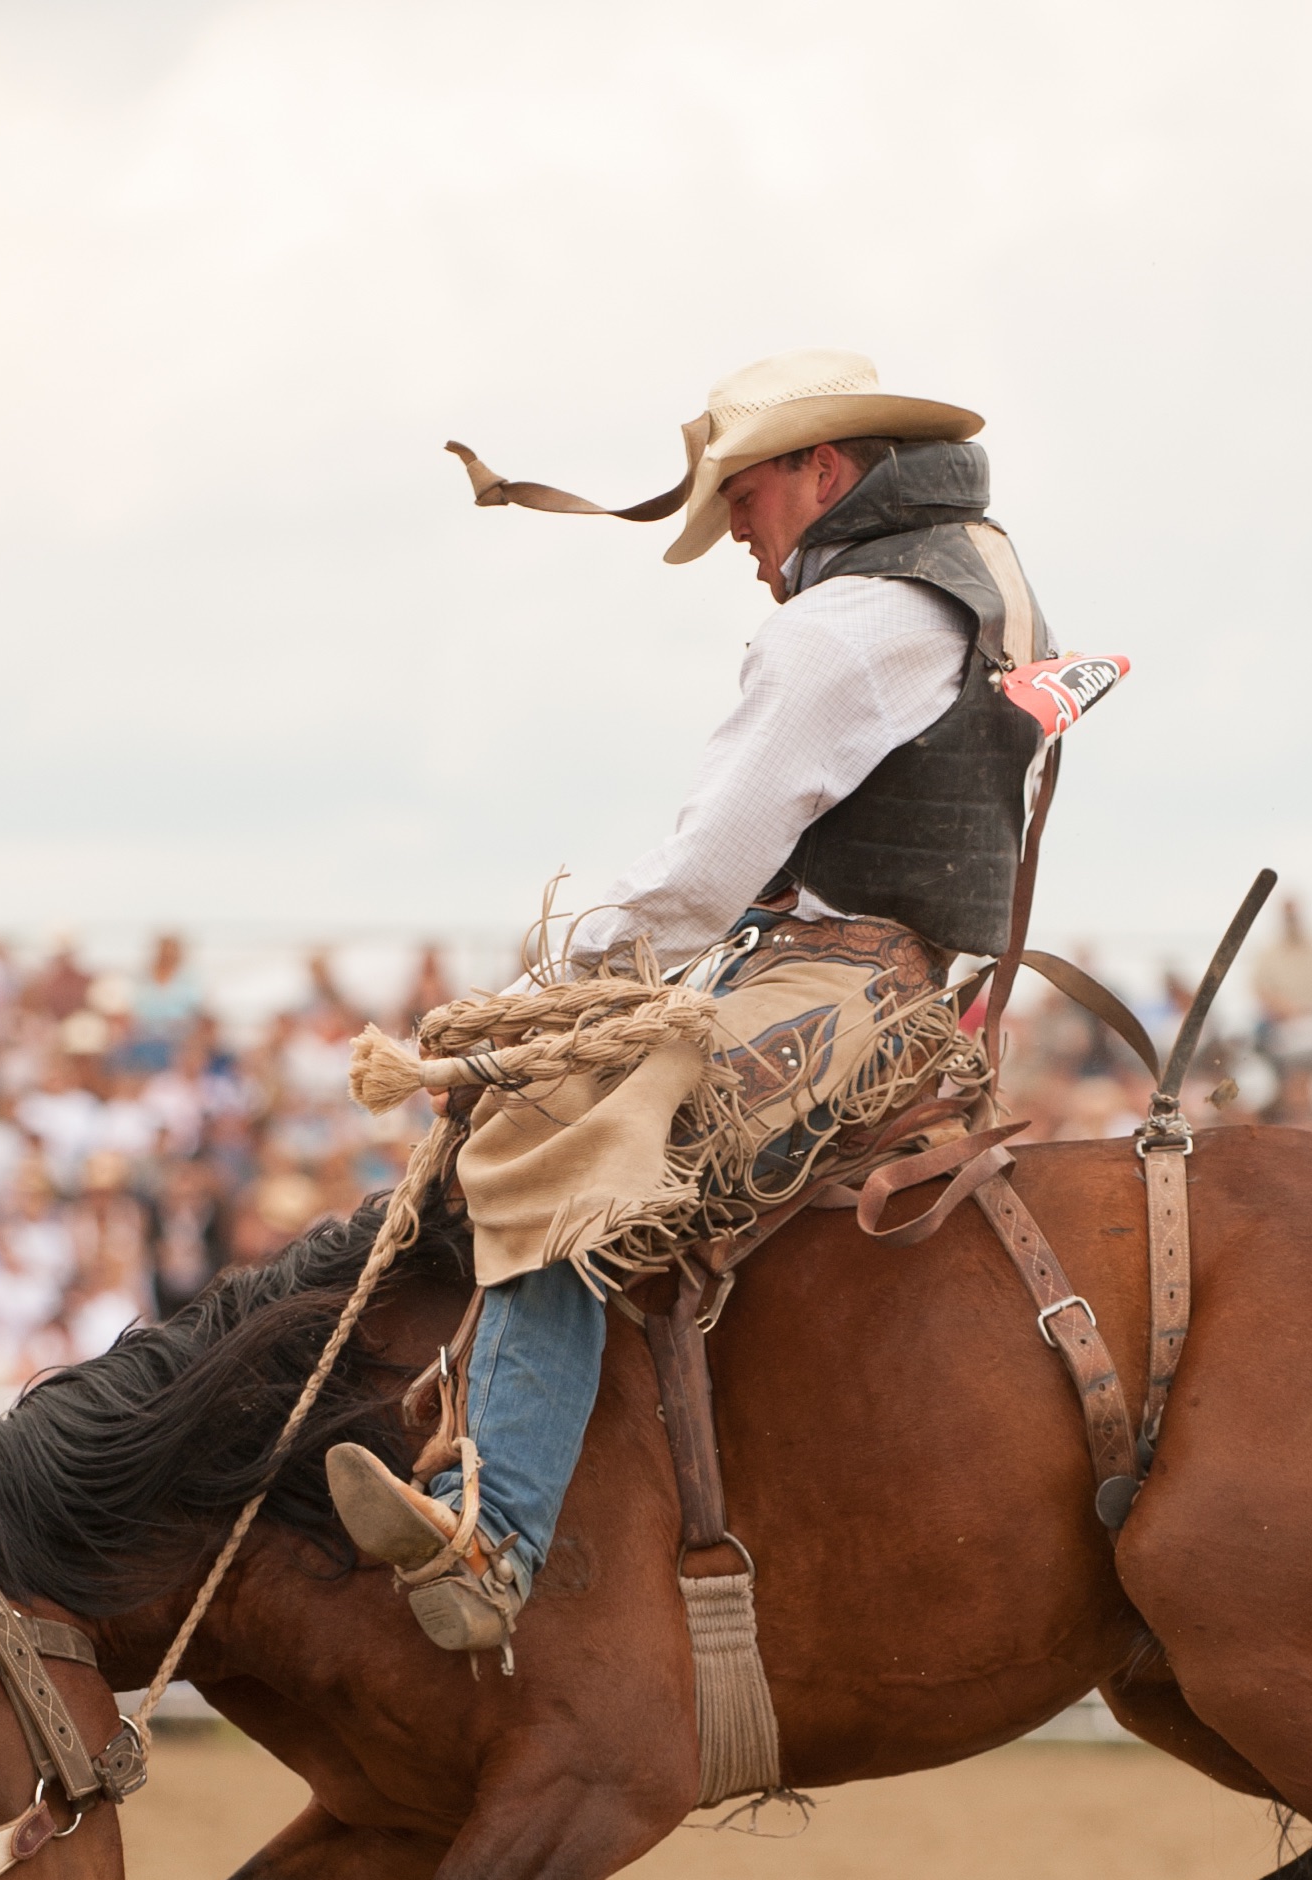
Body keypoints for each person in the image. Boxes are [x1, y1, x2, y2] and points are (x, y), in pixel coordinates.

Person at [324, 349, 1051, 1653]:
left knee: (555, 1132)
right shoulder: (980, 580)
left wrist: (545, 995)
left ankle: (495, 1539)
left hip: (827, 986)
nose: (735, 540)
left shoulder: (842, 625)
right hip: (900, 989)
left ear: (822, 473)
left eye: (747, 504)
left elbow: (701, 877)